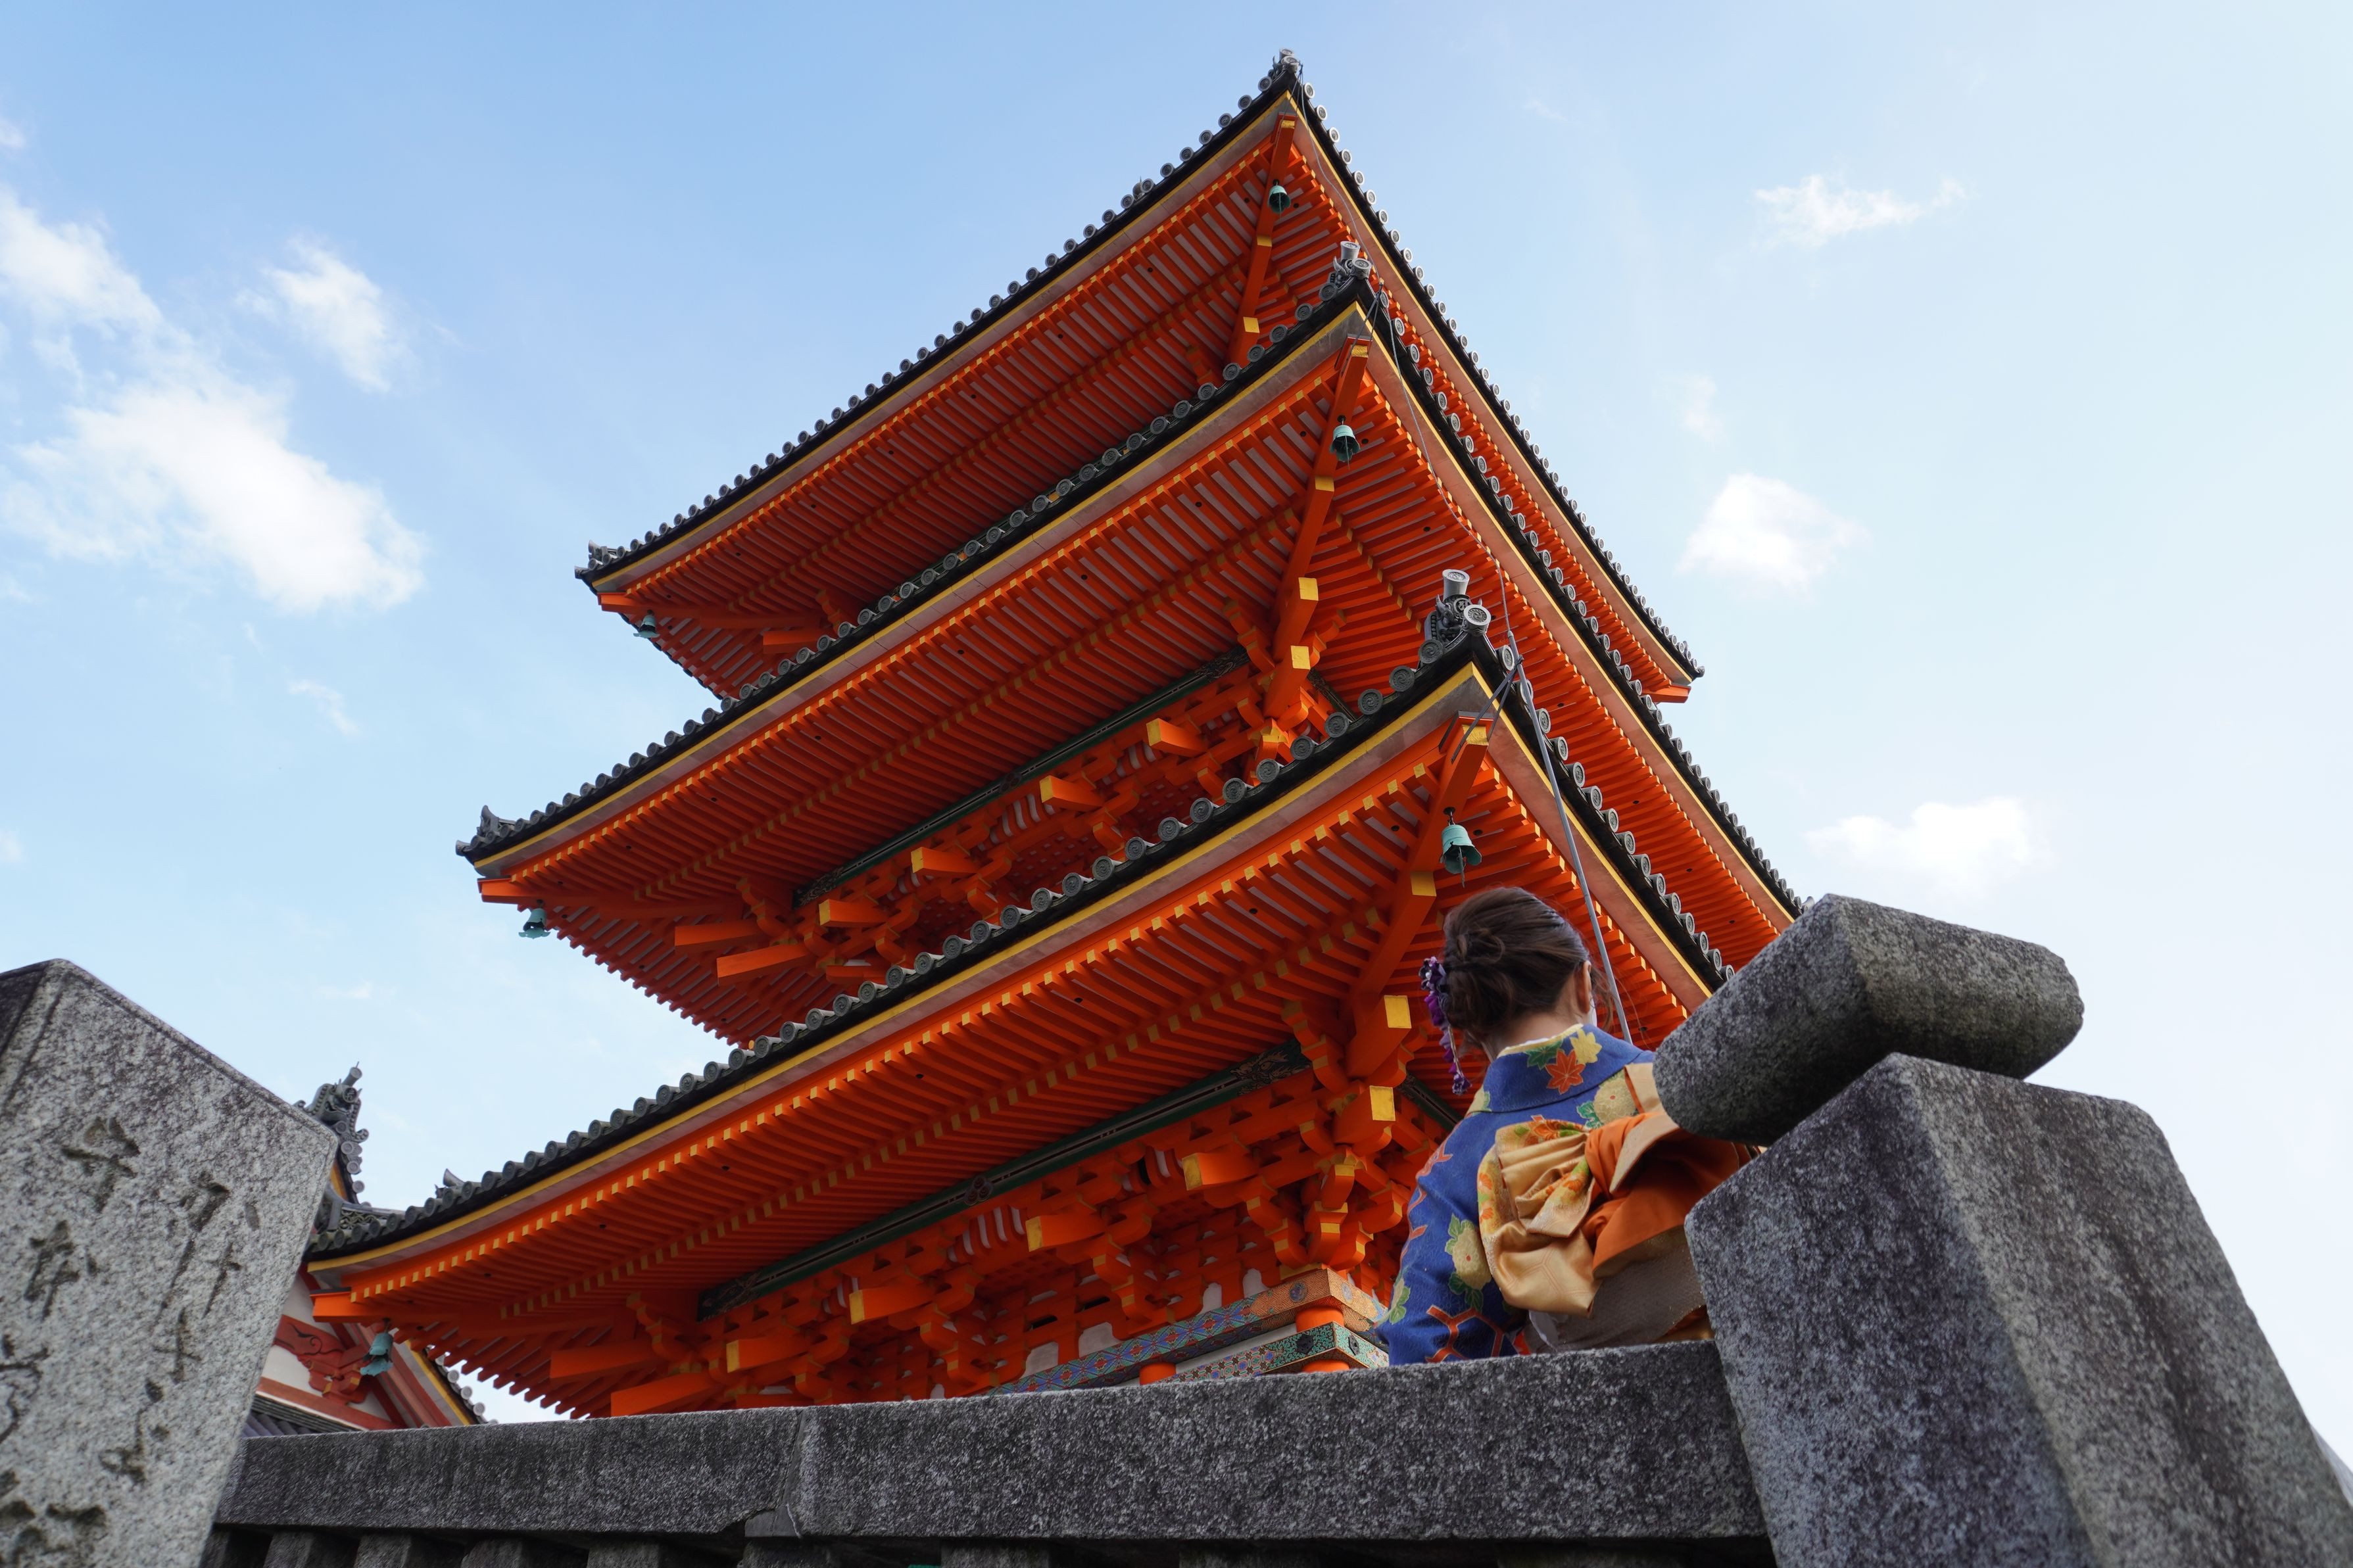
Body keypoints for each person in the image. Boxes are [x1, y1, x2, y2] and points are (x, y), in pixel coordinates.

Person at [1378, 885, 1690, 1364]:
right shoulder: (1678, 1079)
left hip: (1598, 1403)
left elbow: (1422, 1345)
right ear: (1583, 983)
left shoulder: (1456, 1168)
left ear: (1472, 1027)